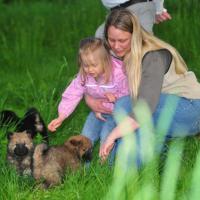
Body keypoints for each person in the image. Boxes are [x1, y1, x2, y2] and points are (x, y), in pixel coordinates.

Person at [85, 9, 200, 165]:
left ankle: (139, 160)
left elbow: (143, 109)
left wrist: (112, 136)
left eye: (122, 40)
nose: (116, 46)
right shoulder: (117, 52)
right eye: (111, 40)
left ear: (135, 36)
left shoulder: (153, 57)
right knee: (114, 162)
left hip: (190, 110)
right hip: (159, 109)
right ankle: (158, 155)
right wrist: (91, 100)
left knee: (124, 106)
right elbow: (87, 78)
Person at [48, 37, 130, 148]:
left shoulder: (119, 73)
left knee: (106, 138)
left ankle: (106, 164)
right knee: (85, 139)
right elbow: (72, 94)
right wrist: (61, 116)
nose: (90, 69)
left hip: (115, 114)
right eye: (86, 65)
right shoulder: (84, 76)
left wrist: (116, 97)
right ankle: (85, 164)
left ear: (106, 61)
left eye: (94, 65)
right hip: (97, 113)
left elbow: (129, 93)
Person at [95, 0, 172, 37]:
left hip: (138, 6)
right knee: (100, 37)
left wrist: (159, 10)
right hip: (115, 12)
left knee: (141, 46)